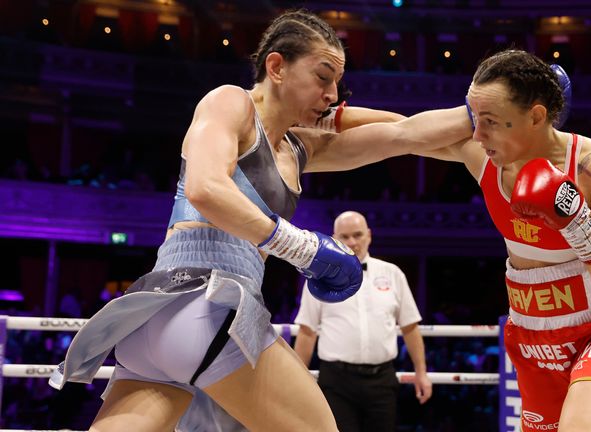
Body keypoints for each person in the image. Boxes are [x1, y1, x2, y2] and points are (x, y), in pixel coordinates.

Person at [48, 9, 472, 432]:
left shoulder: (301, 150)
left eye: (337, 84)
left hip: (154, 324)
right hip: (208, 306)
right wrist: (300, 246)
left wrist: (483, 114)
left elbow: (406, 133)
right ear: (276, 66)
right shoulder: (230, 102)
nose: (331, 92)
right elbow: (205, 188)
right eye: (322, 77)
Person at [413, 49, 591, 431]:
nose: (476, 134)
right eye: (474, 119)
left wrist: (575, 218)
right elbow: (398, 132)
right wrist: (324, 124)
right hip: (534, 340)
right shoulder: (484, 158)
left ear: (536, 116)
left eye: (491, 122)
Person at [294, 211, 432, 432]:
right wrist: (298, 381)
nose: (352, 242)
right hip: (336, 381)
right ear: (334, 238)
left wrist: (421, 373)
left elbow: (410, 327)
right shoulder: (318, 279)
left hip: (382, 380)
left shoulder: (392, 273)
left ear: (369, 235)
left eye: (357, 235)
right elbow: (307, 331)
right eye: (345, 237)